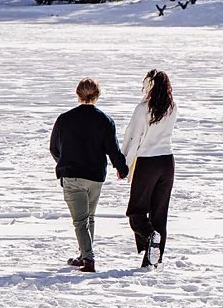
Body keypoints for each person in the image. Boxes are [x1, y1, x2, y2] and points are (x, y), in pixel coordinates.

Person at [48, 78, 127, 273]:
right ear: (97, 95)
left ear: (78, 94)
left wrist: (64, 162)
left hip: (73, 176)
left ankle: (88, 258)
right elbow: (113, 150)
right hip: (95, 177)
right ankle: (84, 254)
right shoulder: (105, 121)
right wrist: (121, 167)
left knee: (80, 220)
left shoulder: (65, 119)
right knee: (89, 218)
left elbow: (53, 148)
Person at [122, 69, 177, 267]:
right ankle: (153, 261)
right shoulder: (172, 107)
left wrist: (125, 165)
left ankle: (150, 237)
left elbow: (134, 137)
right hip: (167, 162)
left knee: (136, 212)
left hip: (147, 162)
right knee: (159, 214)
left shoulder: (143, 108)